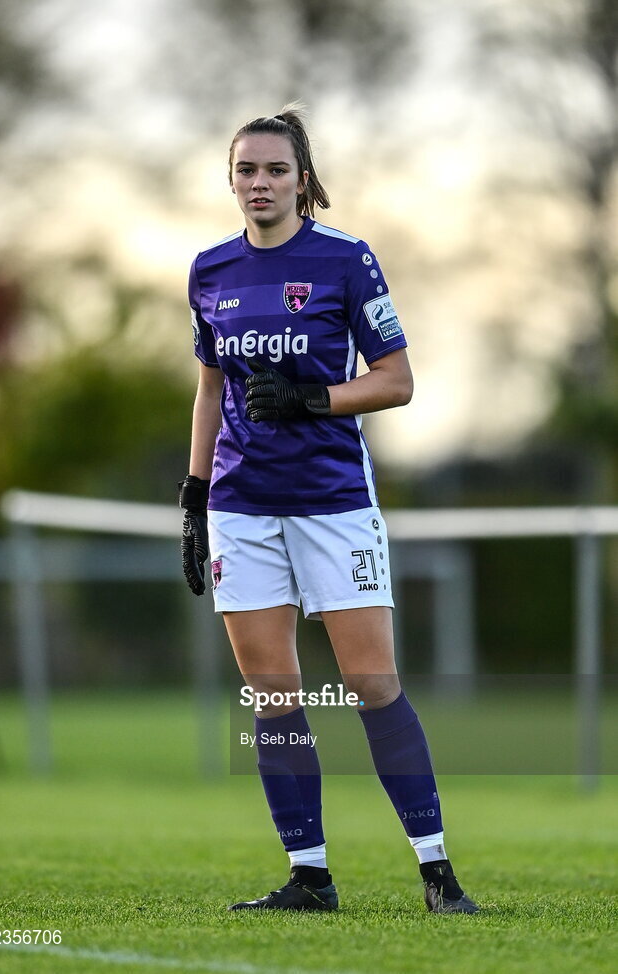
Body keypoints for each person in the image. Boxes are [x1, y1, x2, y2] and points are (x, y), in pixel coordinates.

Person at [179, 102, 479, 915]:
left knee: (370, 682)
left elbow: (397, 380)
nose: (260, 183)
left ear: (303, 180)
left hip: (332, 502)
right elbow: (211, 387)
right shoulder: (210, 269)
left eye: (276, 169)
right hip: (243, 508)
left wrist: (314, 399)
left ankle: (438, 873)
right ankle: (309, 877)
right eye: (246, 170)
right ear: (231, 180)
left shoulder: (347, 259)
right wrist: (196, 493)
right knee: (273, 696)